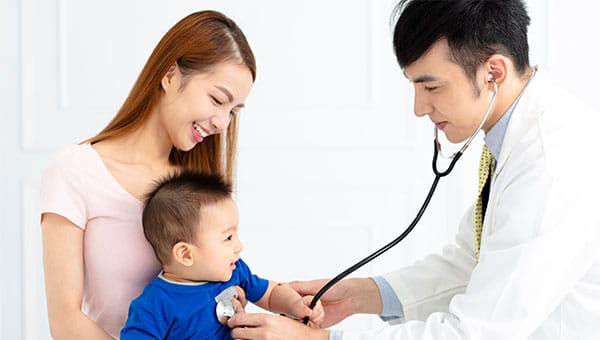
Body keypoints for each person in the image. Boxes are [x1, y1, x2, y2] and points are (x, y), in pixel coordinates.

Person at [227, 0, 600, 339]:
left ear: (493, 73)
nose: (419, 108)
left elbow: (475, 333)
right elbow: (472, 263)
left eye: (431, 87)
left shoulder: (552, 165)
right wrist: (360, 295)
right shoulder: (518, 137)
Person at [40, 10, 256, 339]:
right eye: (217, 100)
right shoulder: (76, 171)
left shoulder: (195, 187)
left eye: (233, 111)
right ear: (170, 75)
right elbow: (64, 321)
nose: (223, 123)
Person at [119, 171, 324, 339]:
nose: (239, 246)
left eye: (236, 235)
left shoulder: (235, 270)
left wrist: (295, 305)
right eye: (227, 238)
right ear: (185, 254)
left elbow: (270, 294)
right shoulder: (155, 304)